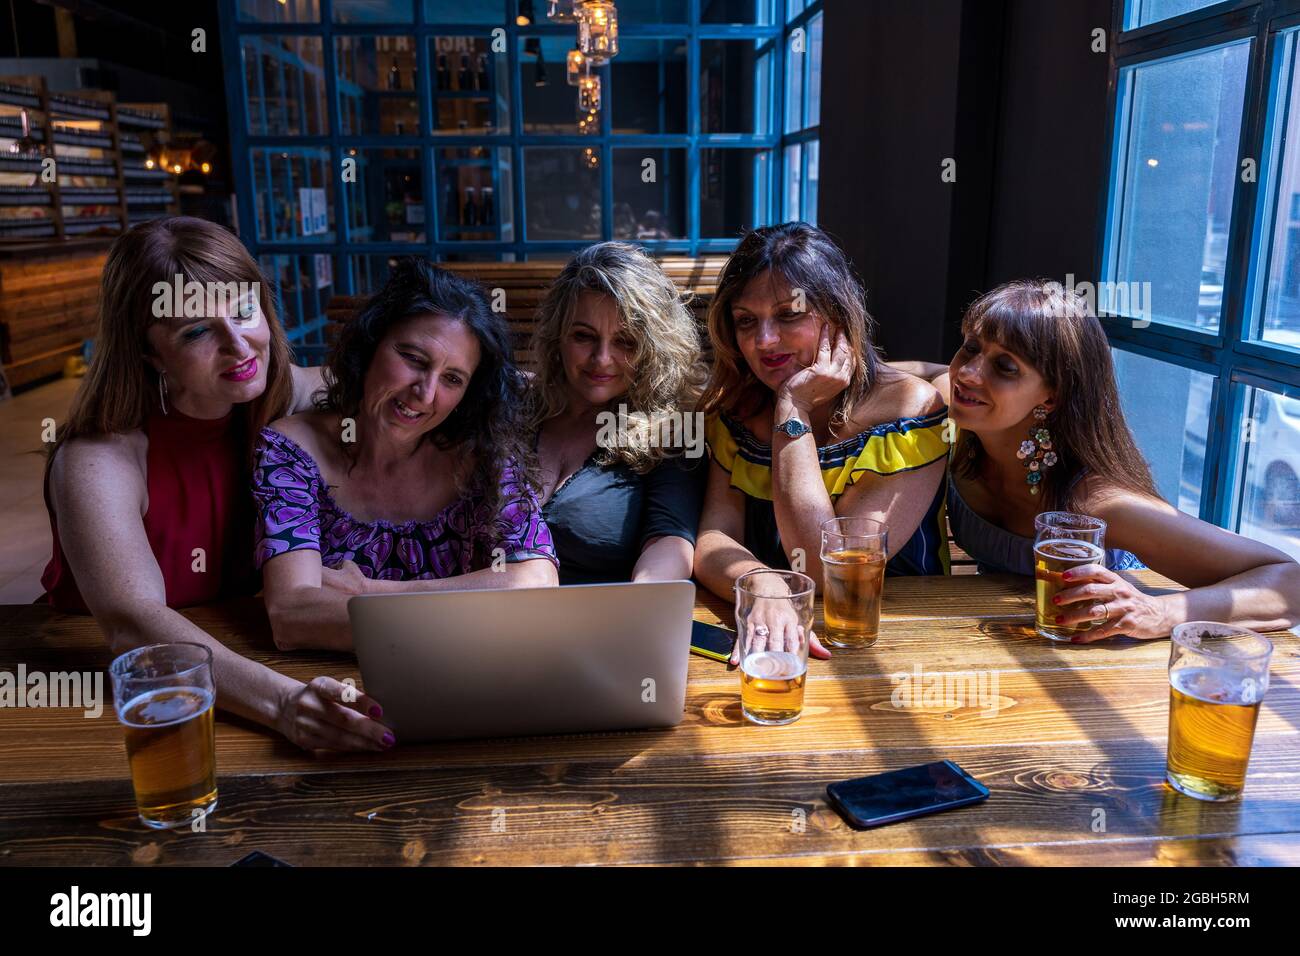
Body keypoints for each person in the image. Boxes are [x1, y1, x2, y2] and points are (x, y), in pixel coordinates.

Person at [42, 216, 389, 753]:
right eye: (197, 331)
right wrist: (284, 703)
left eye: (244, 310)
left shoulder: (297, 397)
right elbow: (133, 625)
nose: (239, 346)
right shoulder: (98, 457)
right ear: (148, 353)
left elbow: (434, 394)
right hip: (132, 702)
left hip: (250, 656)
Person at [893, 279, 1300, 641]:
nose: (969, 373)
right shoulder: (958, 410)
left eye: (1005, 366)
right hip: (995, 632)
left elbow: (1289, 582)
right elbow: (924, 372)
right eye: (971, 347)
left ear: (1051, 397)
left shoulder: (1095, 501)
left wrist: (1159, 612)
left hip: (1105, 654)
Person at [254, 257, 558, 651]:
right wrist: (478, 611)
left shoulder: (483, 457)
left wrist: (368, 591)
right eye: (414, 359)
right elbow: (292, 617)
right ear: (371, 343)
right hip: (326, 687)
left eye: (452, 379)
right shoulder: (292, 451)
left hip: (459, 682)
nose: (426, 394)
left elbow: (537, 584)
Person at [693, 223, 950, 661]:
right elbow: (716, 535)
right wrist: (758, 579)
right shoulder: (737, 407)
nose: (764, 341)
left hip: (896, 642)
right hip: (774, 634)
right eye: (746, 321)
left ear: (836, 312)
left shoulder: (910, 410)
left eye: (788, 315)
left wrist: (793, 408)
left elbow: (826, 566)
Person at [527, 242, 707, 585]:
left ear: (652, 347)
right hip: (487, 616)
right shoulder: (517, 409)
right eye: (584, 336)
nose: (602, 359)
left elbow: (670, 539)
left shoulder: (676, 429)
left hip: (599, 625)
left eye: (626, 341)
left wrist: (643, 601)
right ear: (558, 337)